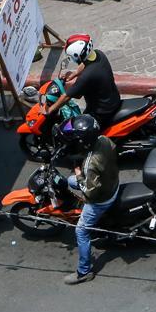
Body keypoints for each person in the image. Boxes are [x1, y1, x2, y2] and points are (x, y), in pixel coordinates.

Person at [60, 115, 120, 285]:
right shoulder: (103, 140)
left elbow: (91, 193)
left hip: (101, 198)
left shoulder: (91, 164)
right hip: (112, 181)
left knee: (80, 231)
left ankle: (84, 271)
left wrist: (80, 174)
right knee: (69, 181)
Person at [47, 34, 122, 131]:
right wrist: (75, 73)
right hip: (113, 100)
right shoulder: (99, 54)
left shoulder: (86, 77)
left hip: (102, 112)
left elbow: (66, 97)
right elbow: (85, 63)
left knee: (79, 131)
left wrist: (50, 109)